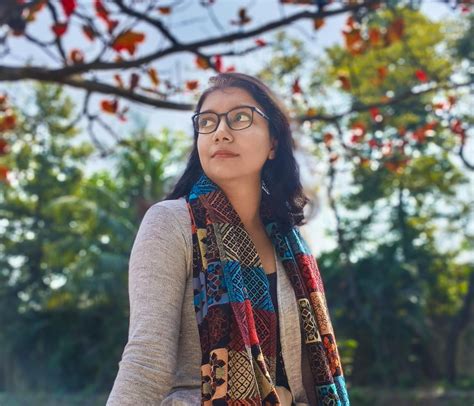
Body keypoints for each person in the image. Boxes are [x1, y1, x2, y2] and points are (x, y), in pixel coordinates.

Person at [106, 72, 350, 406]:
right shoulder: (171, 223)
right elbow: (146, 361)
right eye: (207, 122)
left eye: (239, 118)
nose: (220, 132)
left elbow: (309, 380)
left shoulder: (291, 242)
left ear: (273, 143)